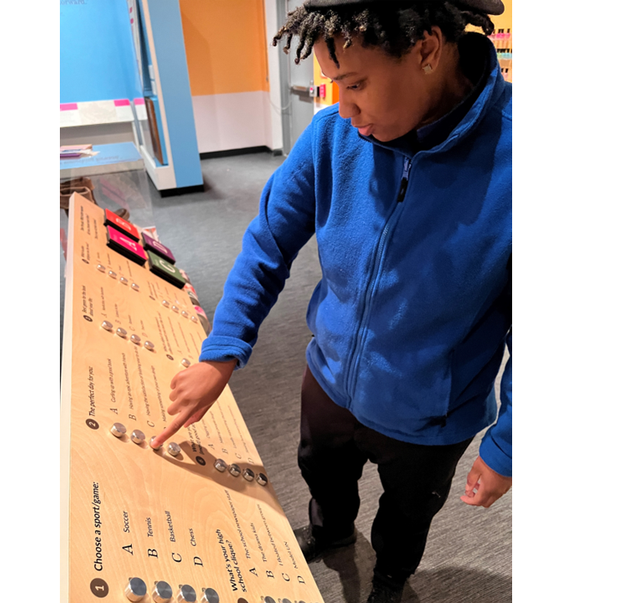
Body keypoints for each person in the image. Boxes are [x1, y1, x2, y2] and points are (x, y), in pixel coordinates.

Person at [152, 1, 511, 601]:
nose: (345, 110)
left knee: (407, 516)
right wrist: (222, 353)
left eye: (357, 84)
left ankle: (392, 577)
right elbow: (267, 243)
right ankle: (331, 532)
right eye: (333, 85)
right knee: (322, 473)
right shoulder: (332, 135)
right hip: (330, 378)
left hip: (431, 414)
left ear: (426, 49)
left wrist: (508, 446)